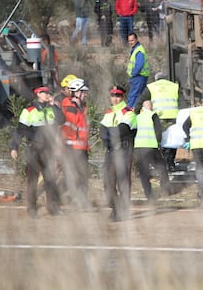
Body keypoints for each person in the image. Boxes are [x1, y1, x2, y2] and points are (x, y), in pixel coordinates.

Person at [10, 86, 65, 218]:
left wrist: (55, 105)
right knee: (32, 180)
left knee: (50, 179)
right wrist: (14, 147)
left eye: (48, 93)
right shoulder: (29, 111)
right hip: (34, 149)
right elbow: (20, 130)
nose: (47, 95)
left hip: (48, 149)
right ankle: (32, 209)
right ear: (38, 94)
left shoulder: (51, 109)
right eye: (45, 93)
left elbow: (62, 120)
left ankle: (53, 208)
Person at [99, 85, 137, 221]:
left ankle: (123, 210)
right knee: (108, 182)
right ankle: (115, 207)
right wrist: (109, 135)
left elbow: (122, 130)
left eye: (118, 96)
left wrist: (109, 133)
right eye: (113, 96)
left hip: (124, 151)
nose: (115, 99)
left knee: (123, 182)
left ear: (123, 97)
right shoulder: (108, 113)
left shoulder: (129, 112)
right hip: (111, 151)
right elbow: (102, 131)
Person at [135, 72, 180, 171]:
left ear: (156, 79)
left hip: (158, 117)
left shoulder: (151, 87)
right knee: (172, 140)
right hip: (173, 117)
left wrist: (138, 113)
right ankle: (170, 163)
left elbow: (140, 101)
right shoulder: (174, 86)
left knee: (160, 139)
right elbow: (181, 101)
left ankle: (163, 162)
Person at [61, 77, 92, 210]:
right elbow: (72, 126)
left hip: (82, 146)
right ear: (76, 92)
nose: (85, 95)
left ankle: (81, 200)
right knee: (73, 175)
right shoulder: (69, 106)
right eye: (83, 92)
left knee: (83, 175)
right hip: (71, 147)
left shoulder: (81, 107)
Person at [134, 100, 171, 201]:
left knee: (143, 172)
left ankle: (149, 195)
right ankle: (165, 190)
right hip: (151, 146)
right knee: (161, 167)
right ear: (151, 107)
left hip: (139, 147)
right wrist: (159, 143)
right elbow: (158, 130)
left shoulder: (136, 117)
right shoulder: (153, 115)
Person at [127, 32, 149, 108]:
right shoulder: (136, 49)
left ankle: (130, 112)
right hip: (138, 77)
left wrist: (133, 73)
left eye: (132, 40)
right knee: (138, 96)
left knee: (133, 96)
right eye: (129, 41)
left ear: (136, 40)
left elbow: (139, 65)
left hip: (138, 77)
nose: (130, 42)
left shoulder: (139, 50)